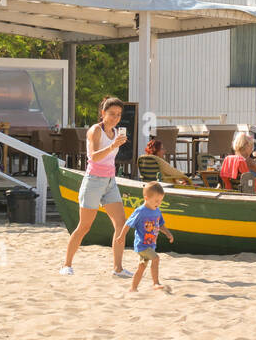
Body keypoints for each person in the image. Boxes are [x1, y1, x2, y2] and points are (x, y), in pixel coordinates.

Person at [61, 96, 132, 277]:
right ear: (103, 113)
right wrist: (112, 146)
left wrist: (116, 144)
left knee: (121, 224)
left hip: (110, 182)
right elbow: (93, 157)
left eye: (118, 115)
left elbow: (110, 158)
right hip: (93, 181)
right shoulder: (95, 130)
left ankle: (117, 268)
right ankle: (66, 264)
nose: (115, 118)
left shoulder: (116, 132)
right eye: (111, 114)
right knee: (84, 226)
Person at [125, 182, 175, 293]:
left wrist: (168, 233)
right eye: (156, 201)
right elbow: (128, 223)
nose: (159, 203)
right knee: (156, 258)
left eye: (160, 201)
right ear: (146, 198)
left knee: (142, 267)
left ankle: (133, 288)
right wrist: (121, 236)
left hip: (151, 245)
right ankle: (155, 283)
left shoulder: (157, 211)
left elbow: (160, 224)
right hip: (142, 245)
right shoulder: (141, 211)